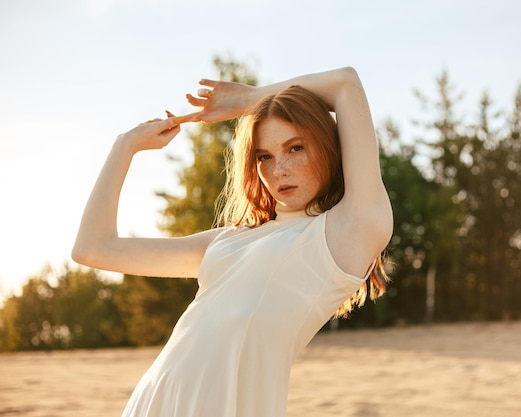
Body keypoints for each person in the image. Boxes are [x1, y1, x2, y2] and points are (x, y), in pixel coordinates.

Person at [72, 67, 393, 417]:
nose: (279, 169)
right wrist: (125, 146)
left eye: (295, 148)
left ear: (329, 149)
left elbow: (346, 84)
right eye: (264, 157)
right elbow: (93, 249)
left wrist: (250, 100)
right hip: (153, 403)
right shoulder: (229, 240)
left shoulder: (348, 230)